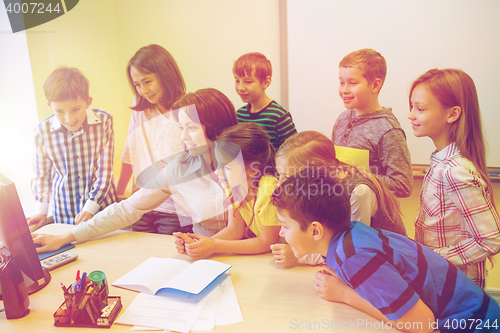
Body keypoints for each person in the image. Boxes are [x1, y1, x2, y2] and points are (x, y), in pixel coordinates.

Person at [272, 169, 500, 333]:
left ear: (315, 231)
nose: (282, 234)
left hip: (476, 324)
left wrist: (344, 294)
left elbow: (422, 324)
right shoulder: (350, 236)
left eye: (285, 225)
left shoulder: (355, 256)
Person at [32, 88, 238, 252]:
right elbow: (126, 210)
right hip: (202, 256)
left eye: (191, 128)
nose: (183, 137)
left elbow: (247, 233)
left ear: (216, 127)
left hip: (242, 255)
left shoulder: (242, 167)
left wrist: (207, 247)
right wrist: (67, 237)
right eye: (181, 128)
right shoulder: (180, 168)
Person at [408, 68, 500, 289]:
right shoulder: (440, 162)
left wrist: (432, 257)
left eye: (419, 108)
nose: (411, 115)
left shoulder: (454, 171)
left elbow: (490, 240)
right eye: (411, 107)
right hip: (437, 282)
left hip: (455, 291)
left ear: (452, 114)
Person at [270, 131, 405, 265]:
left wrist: (300, 256)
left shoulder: (359, 193)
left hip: (391, 265)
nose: (279, 184)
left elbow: (351, 250)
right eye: (279, 175)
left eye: (287, 177)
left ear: (317, 174)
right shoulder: (318, 190)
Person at [116, 44, 192, 235]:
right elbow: (130, 150)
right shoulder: (142, 109)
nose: (143, 90)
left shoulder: (188, 110)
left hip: (176, 209)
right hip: (143, 203)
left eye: (147, 81)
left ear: (165, 75)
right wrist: (119, 192)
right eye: (137, 85)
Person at [174, 122, 281, 258]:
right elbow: (234, 231)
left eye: (226, 167)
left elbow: (267, 242)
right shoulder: (234, 186)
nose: (218, 172)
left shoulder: (268, 189)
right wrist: (200, 244)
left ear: (252, 170)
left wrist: (214, 246)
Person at [28, 67, 117, 228]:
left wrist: (91, 207)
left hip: (103, 211)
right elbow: (41, 176)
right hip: (64, 216)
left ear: (88, 102)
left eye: (76, 109)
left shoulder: (103, 121)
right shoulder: (42, 131)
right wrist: (41, 211)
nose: (69, 119)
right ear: (50, 106)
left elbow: (105, 172)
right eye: (59, 111)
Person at [331, 49, 413, 198]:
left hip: (370, 217)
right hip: (341, 211)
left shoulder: (387, 129)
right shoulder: (342, 119)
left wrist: (358, 176)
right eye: (341, 82)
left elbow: (403, 185)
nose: (344, 90)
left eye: (353, 83)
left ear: (375, 86)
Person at [233, 52, 297, 151]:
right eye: (237, 81)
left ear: (266, 82)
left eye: (248, 82)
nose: (240, 87)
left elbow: (295, 152)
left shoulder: (279, 116)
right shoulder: (239, 115)